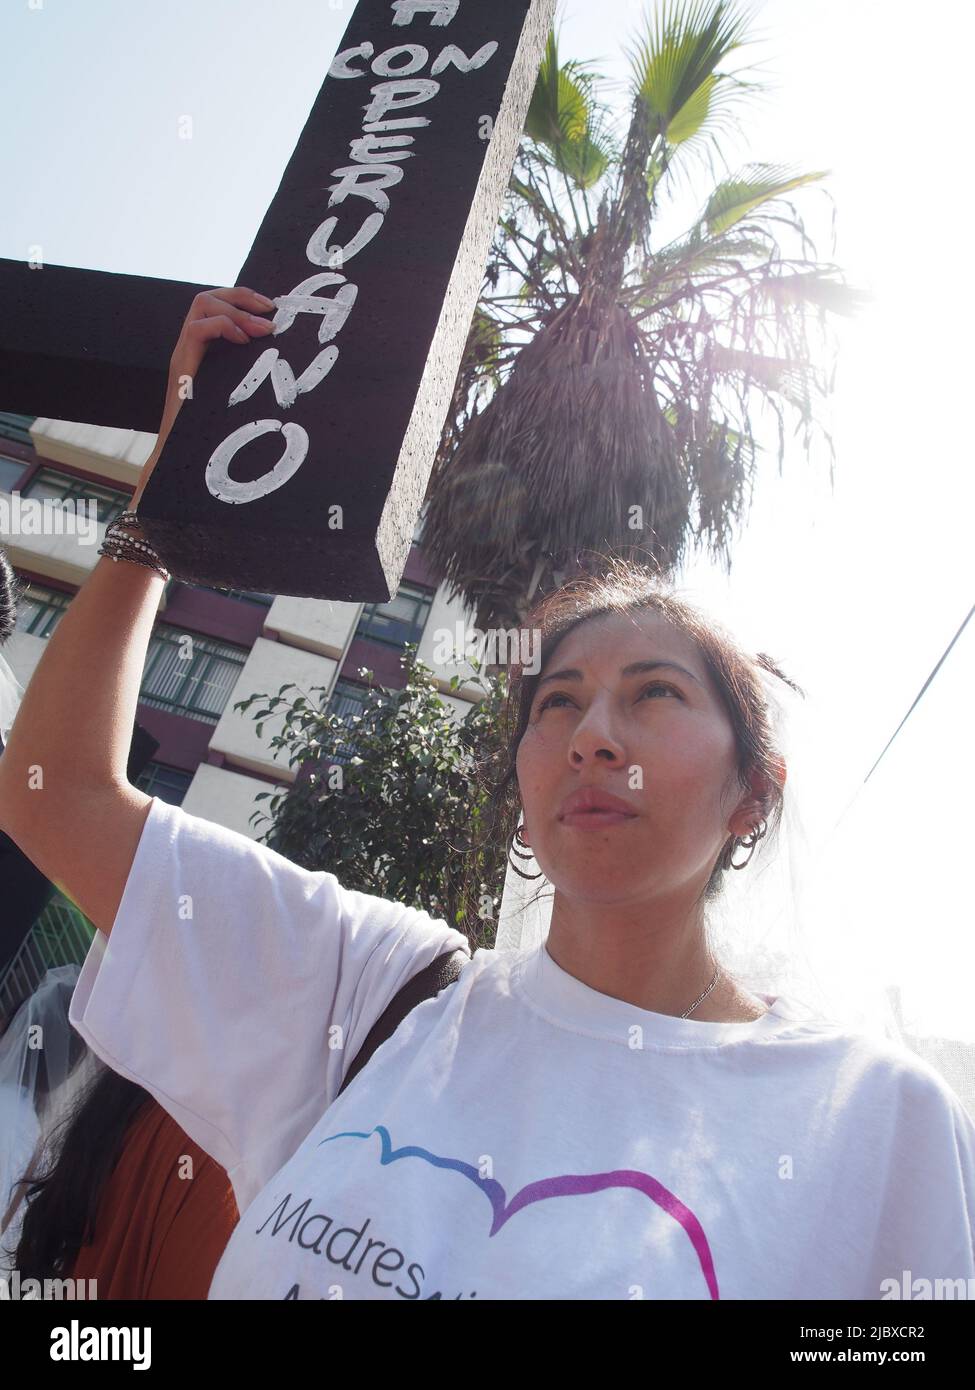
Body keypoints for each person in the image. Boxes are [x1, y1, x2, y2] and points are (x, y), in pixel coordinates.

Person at [0, 286, 972, 1300]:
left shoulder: (871, 1120)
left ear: (752, 796)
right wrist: (175, 488)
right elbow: (53, 794)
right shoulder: (374, 990)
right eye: (558, 702)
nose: (593, 736)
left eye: (655, 694)